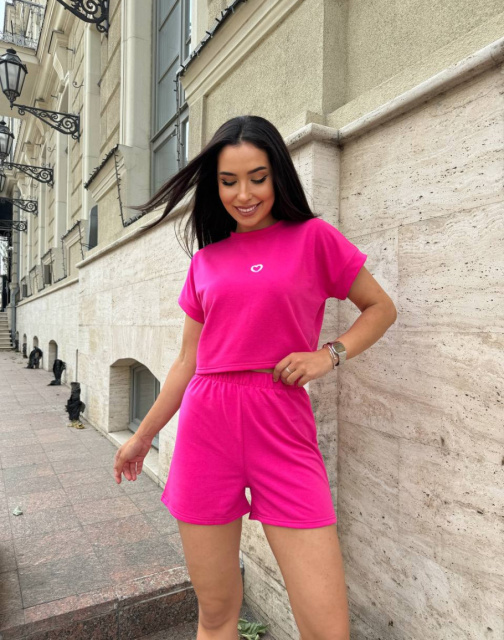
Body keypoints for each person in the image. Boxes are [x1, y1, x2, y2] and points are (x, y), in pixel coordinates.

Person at [113, 115, 397, 640]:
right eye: (229, 182)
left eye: (257, 178)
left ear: (278, 176)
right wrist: (143, 436)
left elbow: (380, 308)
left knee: (327, 629)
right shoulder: (206, 261)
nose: (243, 194)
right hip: (206, 429)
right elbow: (186, 362)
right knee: (217, 614)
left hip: (281, 424)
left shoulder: (314, 239)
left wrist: (328, 355)